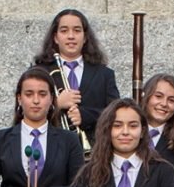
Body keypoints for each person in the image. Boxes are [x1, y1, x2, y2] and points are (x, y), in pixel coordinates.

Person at [37, 8, 120, 137]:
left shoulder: (104, 74)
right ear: (55, 38)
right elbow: (26, 110)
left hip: (94, 151)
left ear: (85, 37)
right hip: (51, 147)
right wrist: (56, 103)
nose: (71, 36)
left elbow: (116, 114)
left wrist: (85, 116)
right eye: (64, 31)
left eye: (77, 30)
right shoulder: (39, 72)